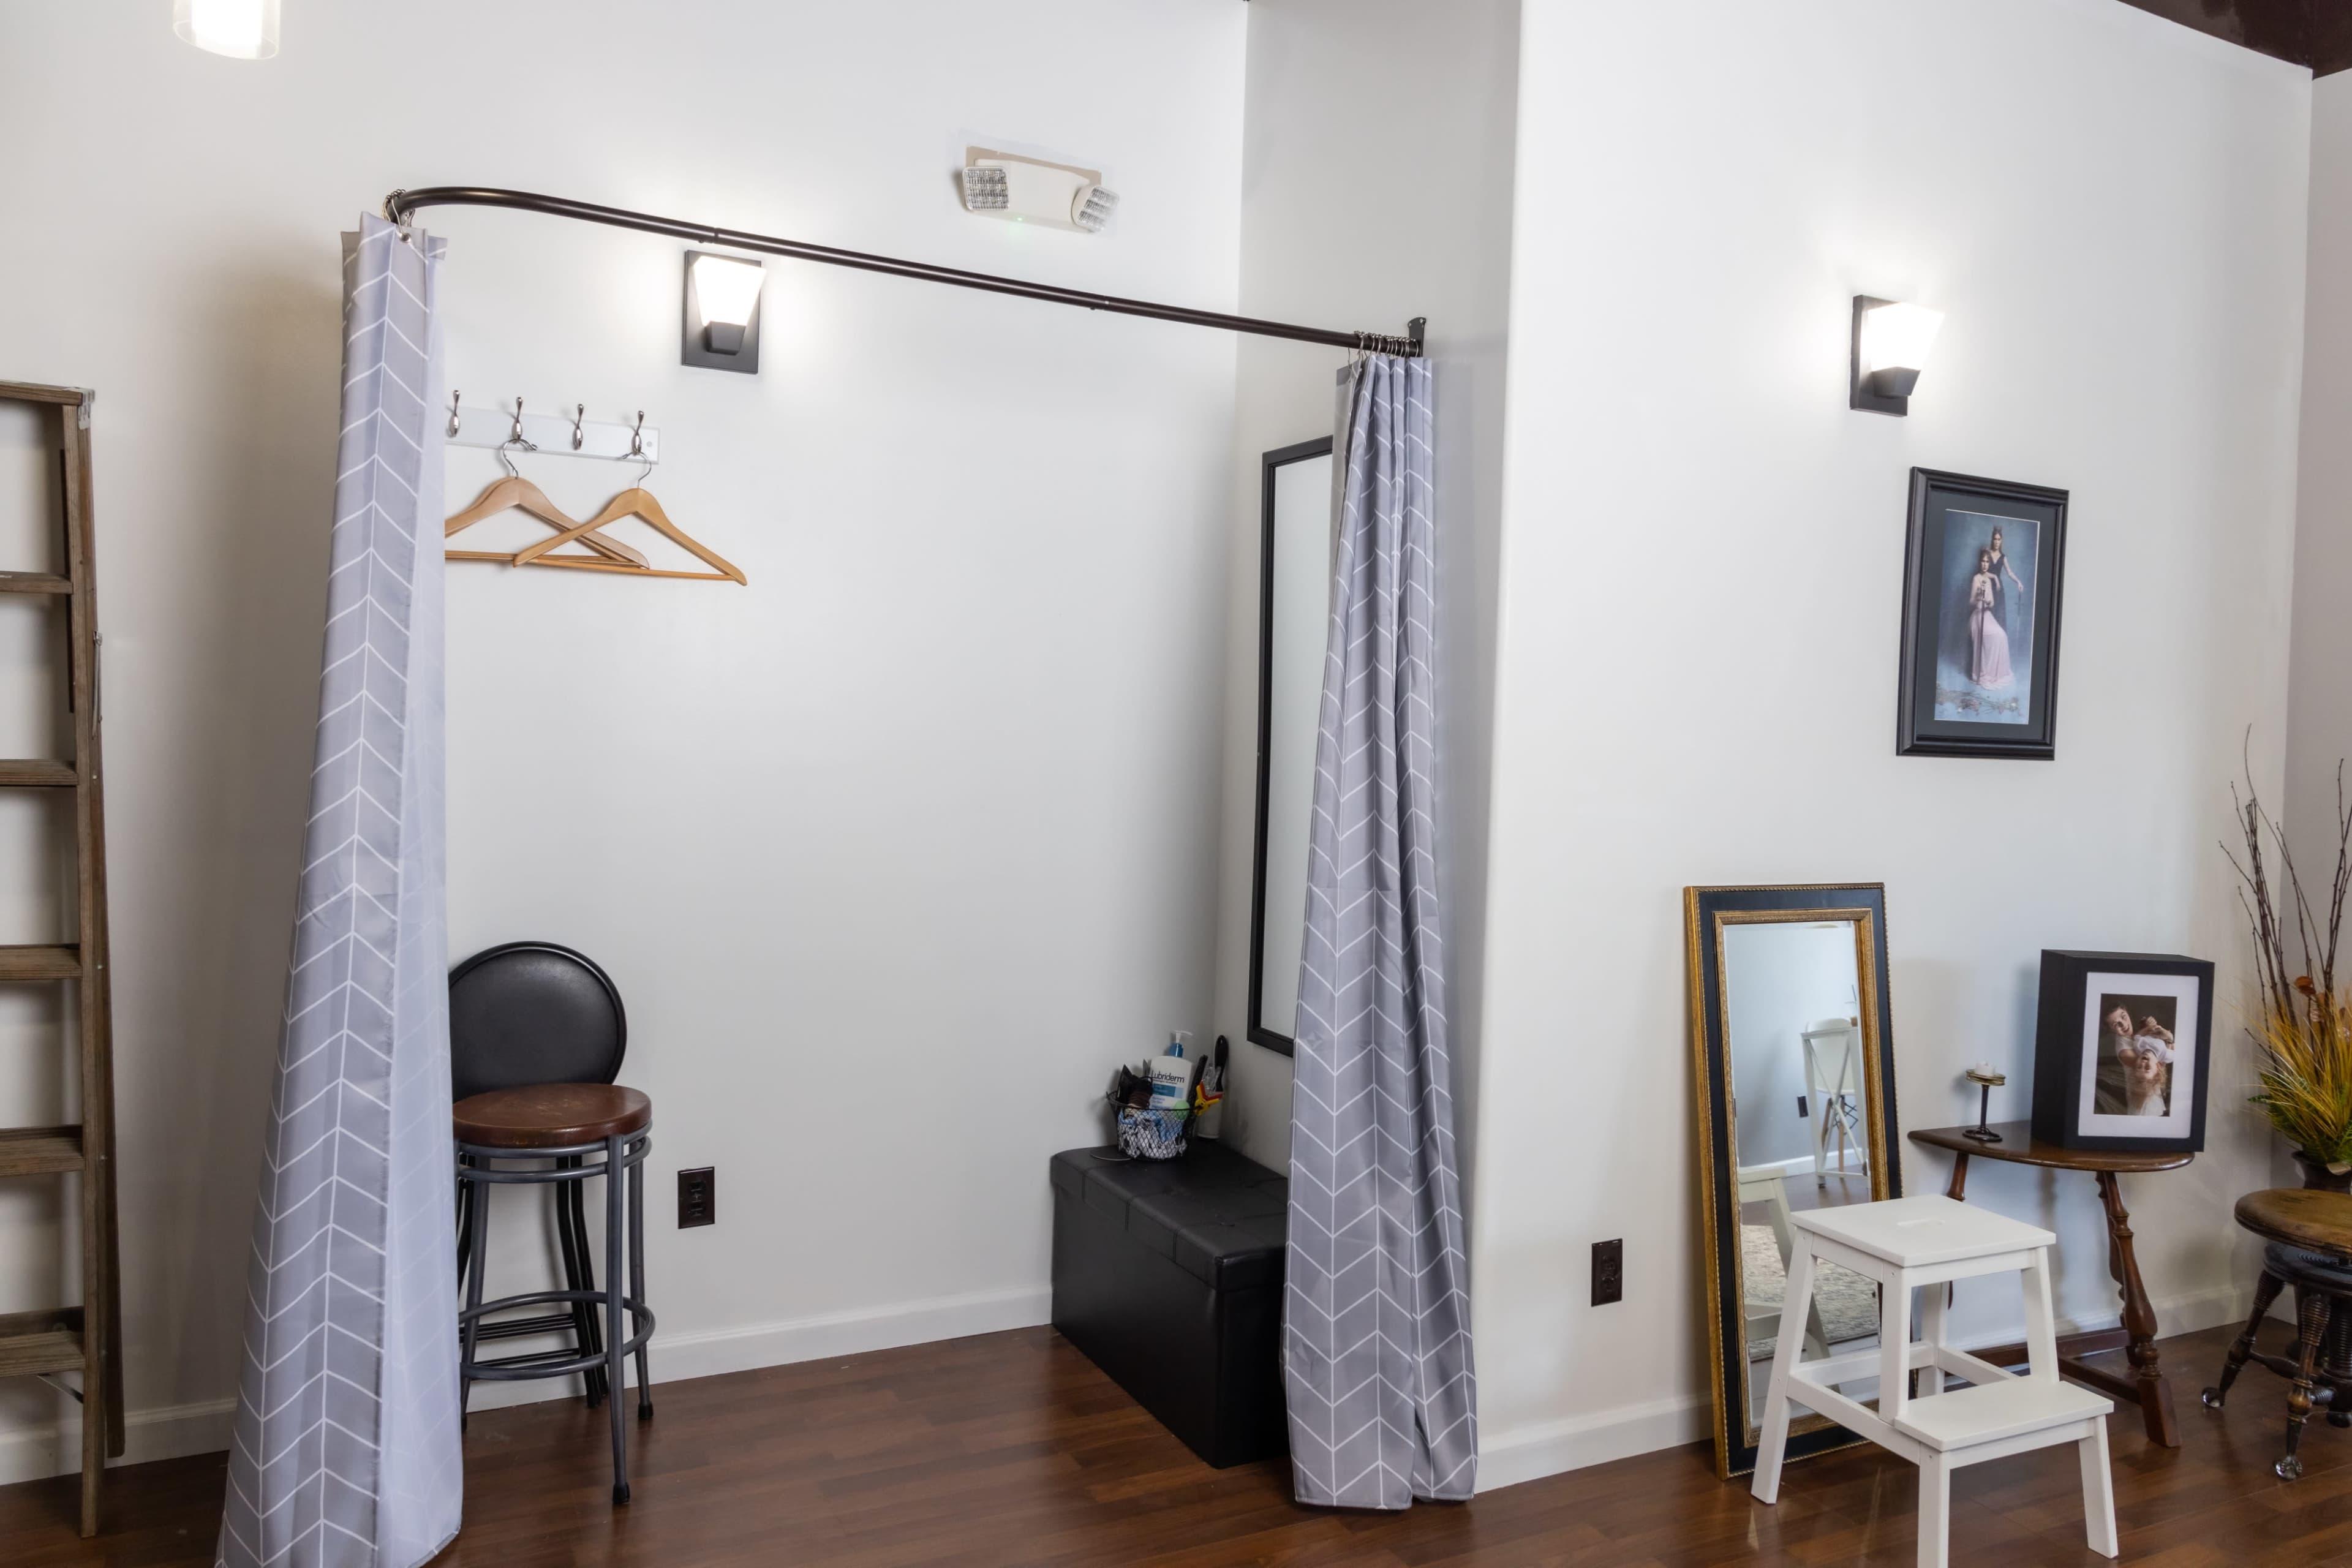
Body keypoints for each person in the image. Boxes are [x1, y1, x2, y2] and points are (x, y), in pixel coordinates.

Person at [1968, 549, 2013, 689]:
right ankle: (1981, 673)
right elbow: (1971, 601)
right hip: (1977, 616)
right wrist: (1978, 598)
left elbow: (1992, 603)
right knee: (1989, 638)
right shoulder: (1976, 578)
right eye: (1983, 561)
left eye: (1987, 562)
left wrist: (1988, 601)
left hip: (1987, 615)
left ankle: (1993, 672)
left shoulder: (1988, 580)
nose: (1985, 564)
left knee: (2002, 636)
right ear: (1980, 562)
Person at [2118, 1016, 2174, 1117]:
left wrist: (2148, 1028)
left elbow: (2138, 1036)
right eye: (2147, 1068)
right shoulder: (2163, 1056)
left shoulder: (2139, 1048)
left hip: (2150, 1030)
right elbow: (2173, 1048)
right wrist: (2167, 1036)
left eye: (2139, 1067)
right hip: (2161, 1034)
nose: (2143, 1063)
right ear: (2158, 1068)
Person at [1985, 526, 2027, 639]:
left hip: (1998, 591)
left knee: (1999, 617)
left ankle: (1997, 650)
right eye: (1995, 539)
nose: (1997, 542)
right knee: (1988, 617)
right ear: (1992, 539)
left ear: (2001, 540)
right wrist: (1994, 578)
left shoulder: (2003, 558)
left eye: (1999, 539)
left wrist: (2018, 582)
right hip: (1988, 588)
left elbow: (2010, 572)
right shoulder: (1987, 553)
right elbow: (1982, 572)